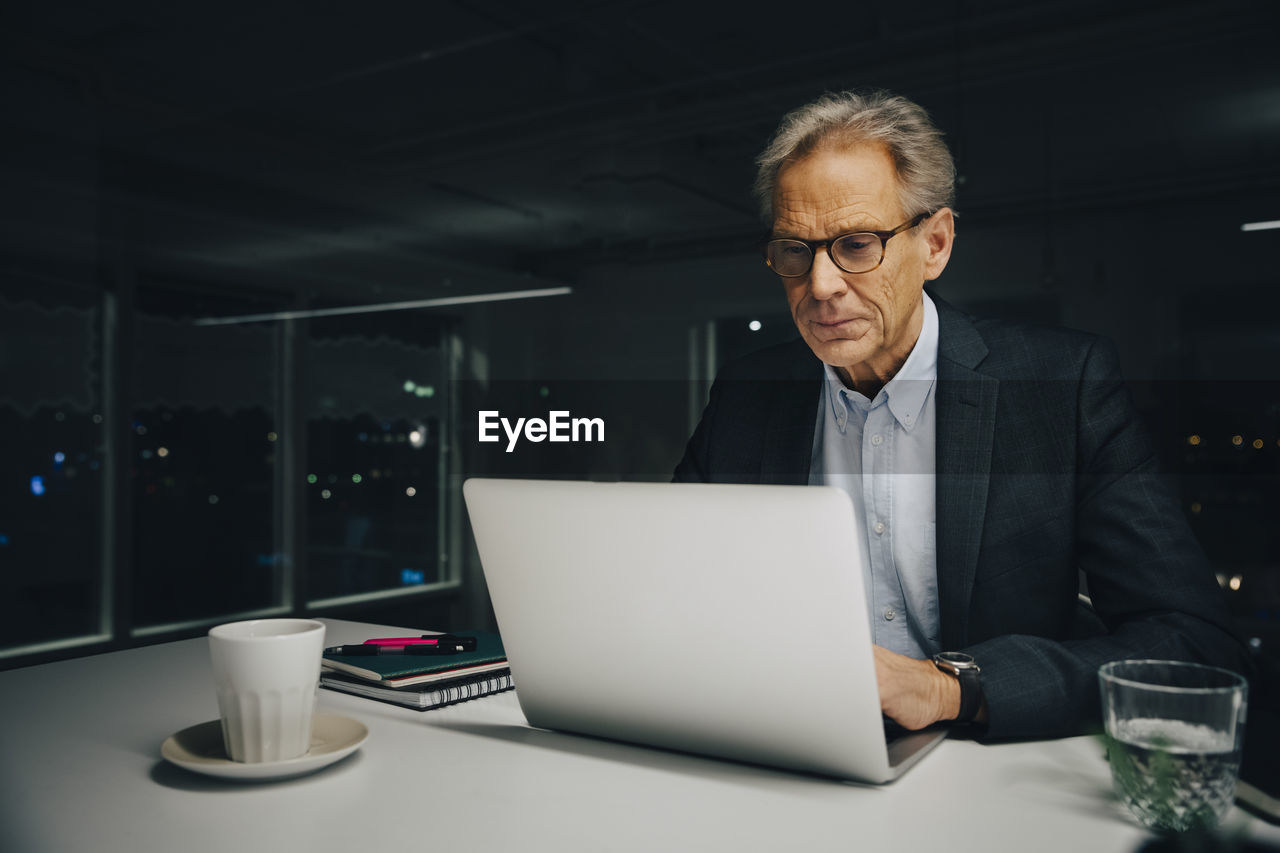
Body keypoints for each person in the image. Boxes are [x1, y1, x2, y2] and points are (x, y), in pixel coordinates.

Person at [673, 90, 1249, 740]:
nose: (821, 285)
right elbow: (671, 590)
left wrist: (955, 688)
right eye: (794, 250)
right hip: (785, 745)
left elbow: (1192, 642)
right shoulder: (750, 392)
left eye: (857, 244)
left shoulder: (1061, 386)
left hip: (988, 771)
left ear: (936, 243)